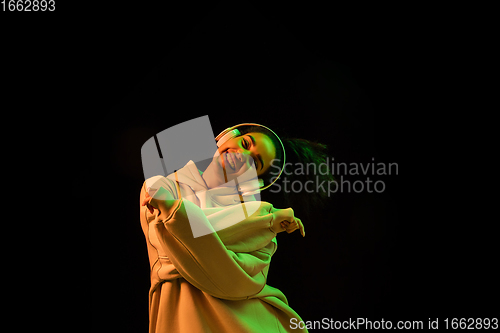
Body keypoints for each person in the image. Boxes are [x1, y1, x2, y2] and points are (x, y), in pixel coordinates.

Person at [139, 123, 332, 332]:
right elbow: (175, 252)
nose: (243, 155)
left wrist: (173, 209)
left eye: (254, 162)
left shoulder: (263, 223)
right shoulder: (160, 186)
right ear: (226, 136)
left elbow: (237, 282)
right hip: (181, 317)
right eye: (245, 143)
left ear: (255, 183)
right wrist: (261, 221)